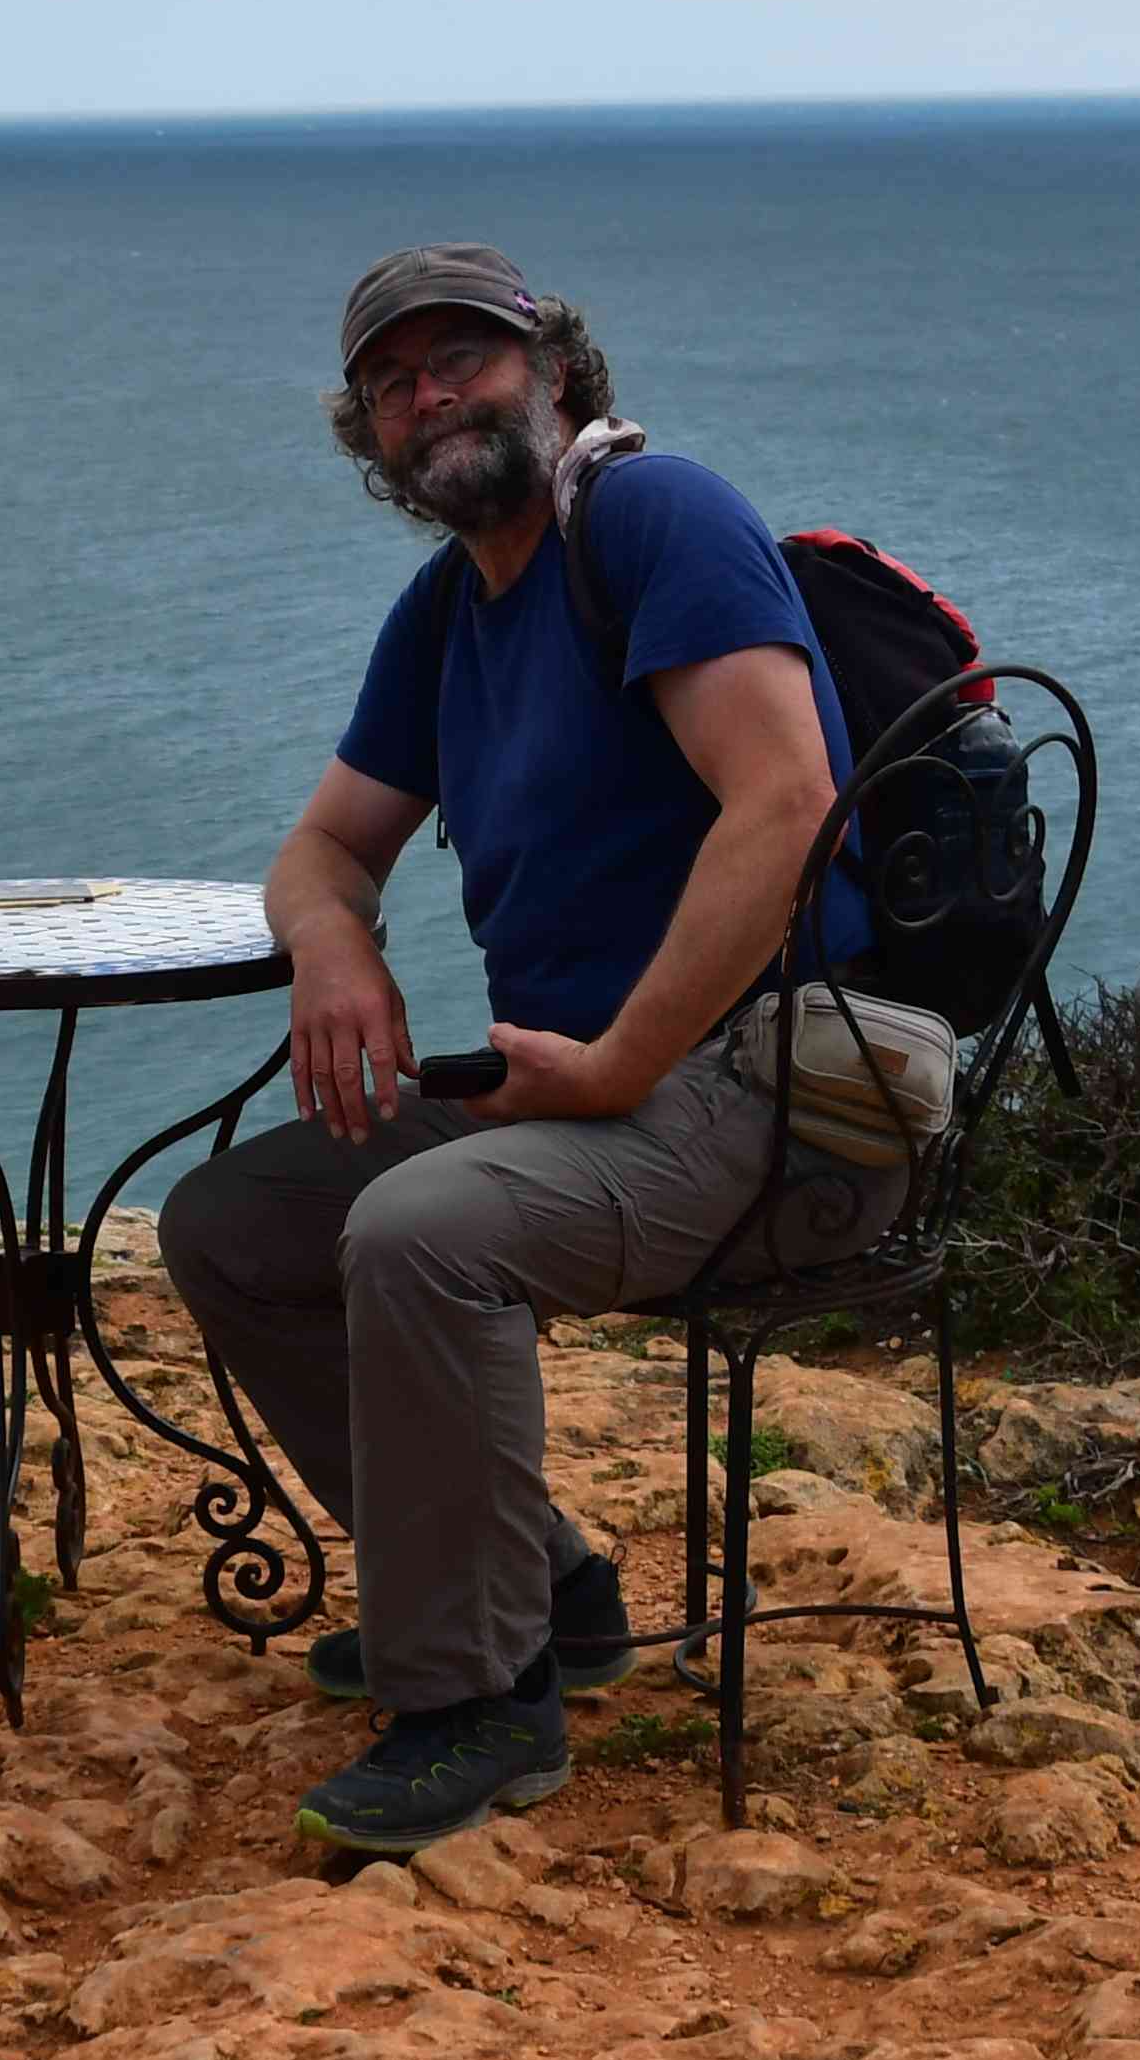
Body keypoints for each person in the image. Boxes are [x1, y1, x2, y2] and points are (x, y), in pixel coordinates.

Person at [159, 243, 898, 1858]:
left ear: (553, 372)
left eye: (463, 359)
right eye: (392, 381)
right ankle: (540, 1588)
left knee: (420, 1234)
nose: (431, 396)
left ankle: (480, 1703)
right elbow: (322, 848)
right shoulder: (449, 613)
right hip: (583, 1092)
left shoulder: (651, 518)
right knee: (231, 1226)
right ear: (370, 436)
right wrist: (338, 945)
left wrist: (623, 1062)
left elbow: (786, 803)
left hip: (770, 1091)